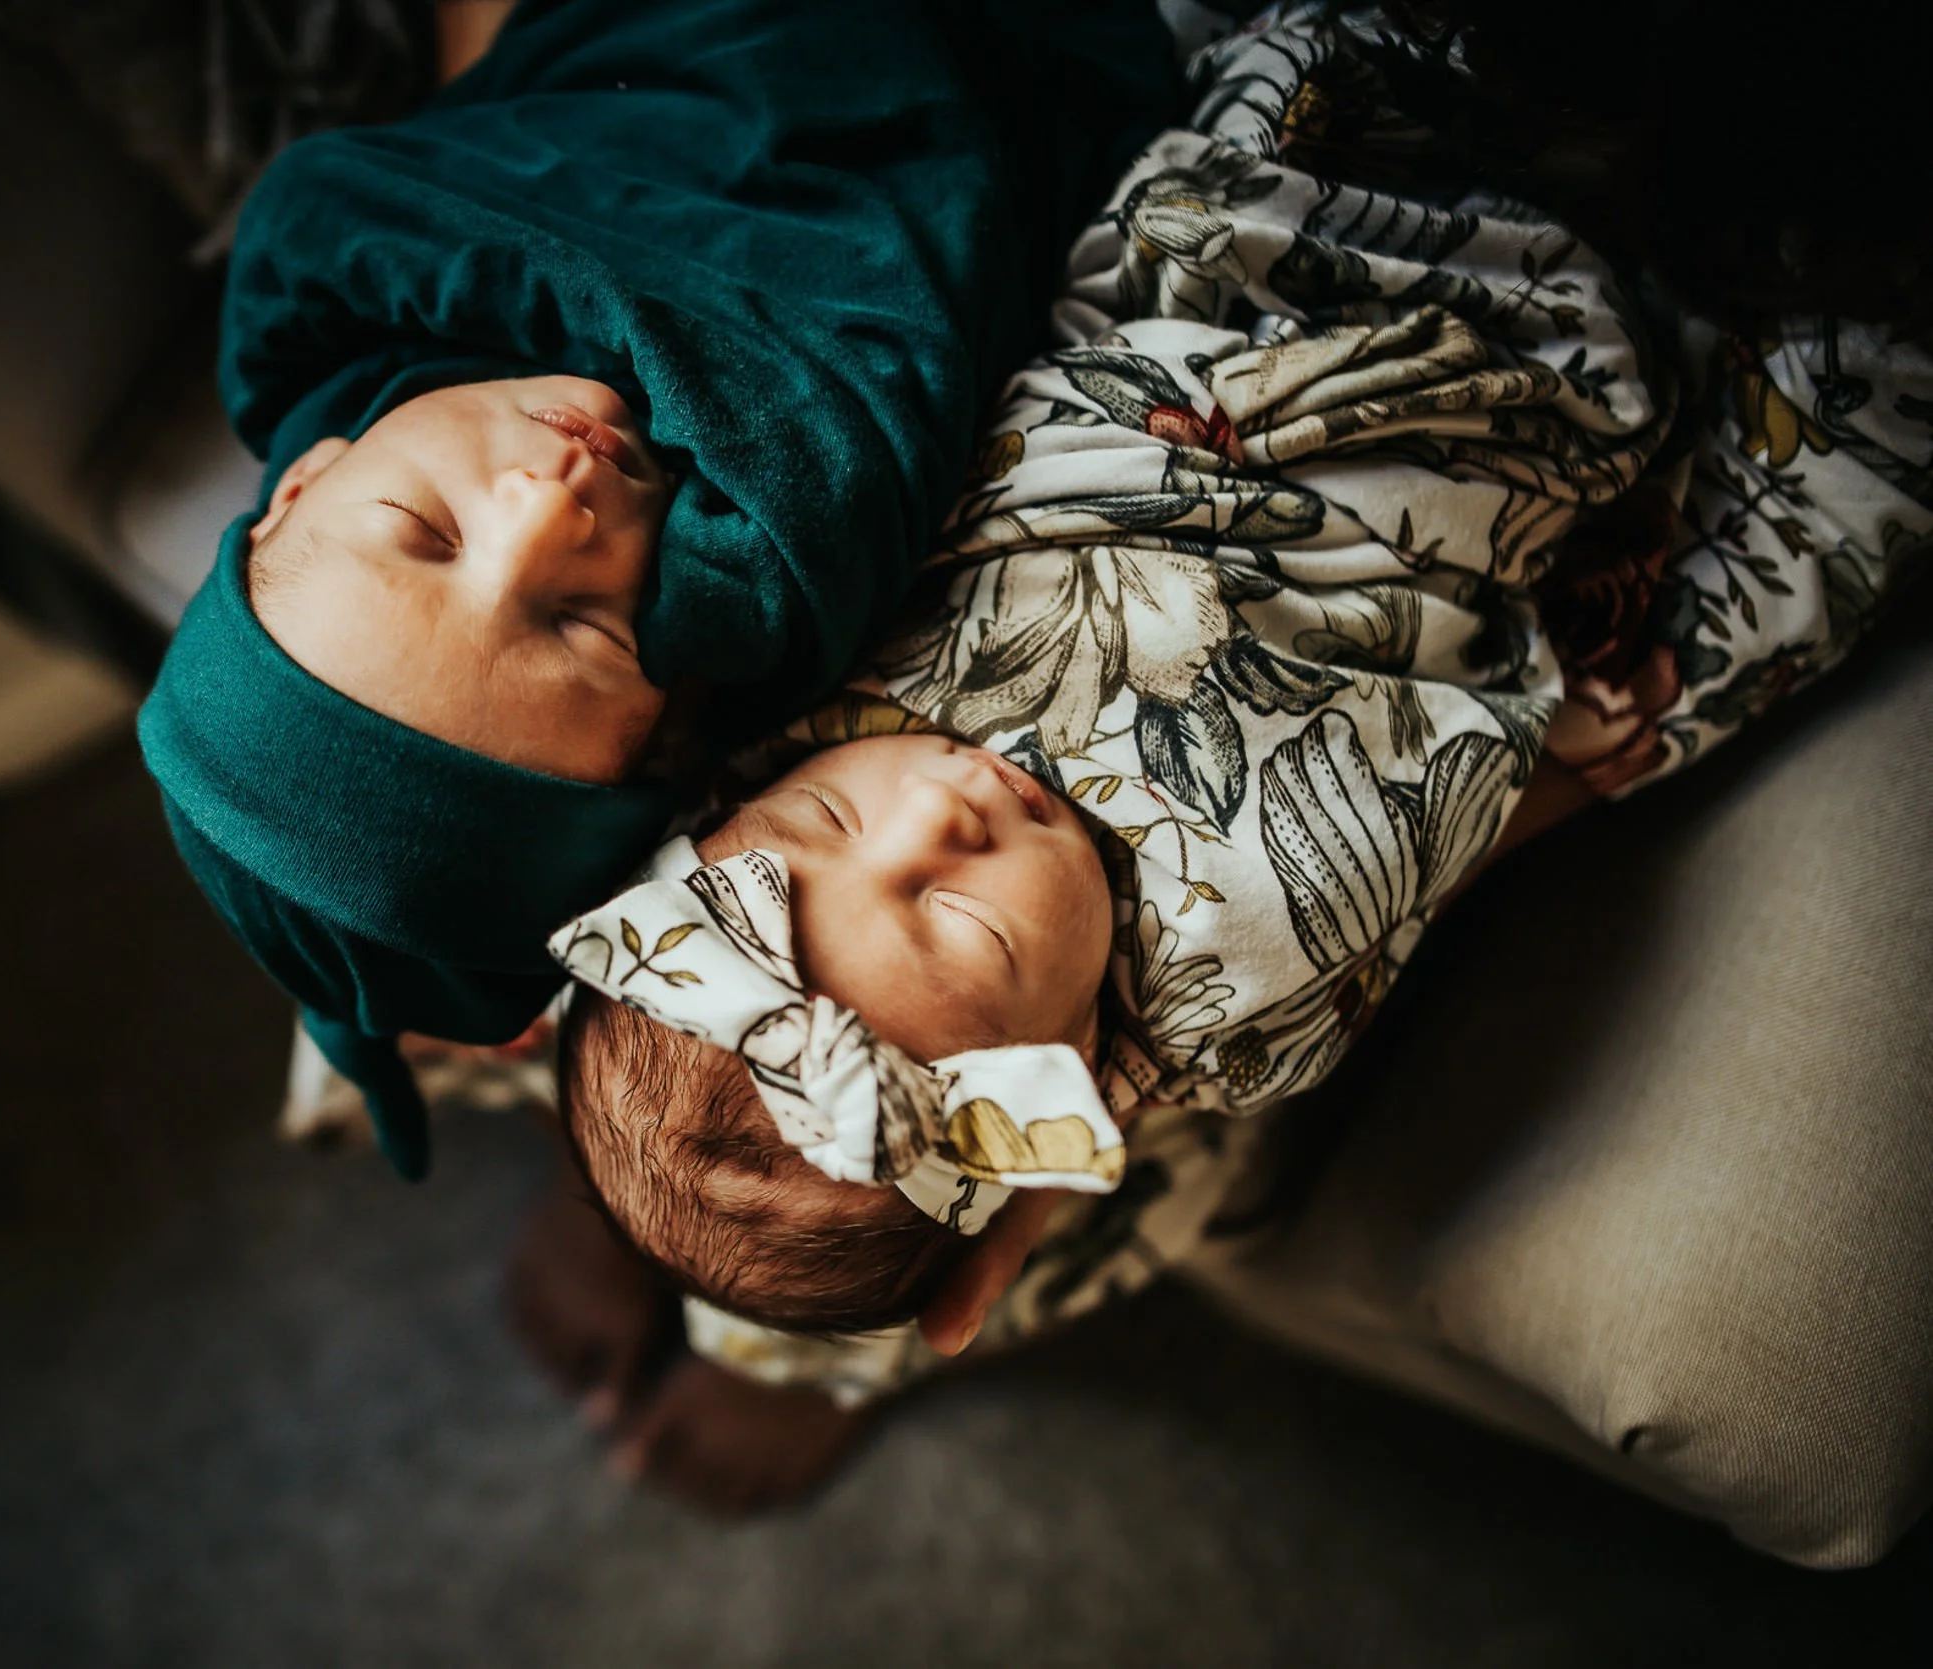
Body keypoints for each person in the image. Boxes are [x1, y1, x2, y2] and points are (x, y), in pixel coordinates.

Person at [521, 1, 1932, 1507]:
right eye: (967, 919)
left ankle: (709, 1282)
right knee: (1783, 551)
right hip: (1475, 500)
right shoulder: (1228, 979)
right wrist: (1558, 766)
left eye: (819, 838)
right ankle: (775, 1327)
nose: (930, 817)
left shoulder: (788, 694)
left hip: (1240, 329)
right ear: (1069, 1064)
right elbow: (1403, 867)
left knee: (1235, 132)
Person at [136, 0, 1182, 1178]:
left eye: (420, 528)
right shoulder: (776, 573)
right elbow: (842, 428)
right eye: (577, 623)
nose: (545, 505)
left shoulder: (330, 320)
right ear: (672, 716)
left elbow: (354, 192)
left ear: (301, 484)